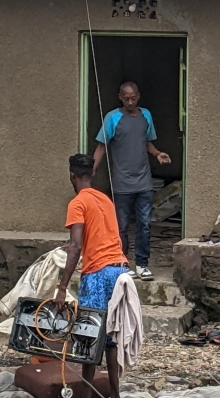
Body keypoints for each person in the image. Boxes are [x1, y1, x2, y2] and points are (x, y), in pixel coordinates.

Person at [55, 153, 127, 398]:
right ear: (93, 174)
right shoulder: (105, 200)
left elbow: (75, 247)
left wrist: (62, 287)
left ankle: (86, 393)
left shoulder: (77, 203)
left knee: (89, 335)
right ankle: (115, 393)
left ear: (71, 176)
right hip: (119, 272)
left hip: (97, 273)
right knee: (112, 336)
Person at [92, 81, 171, 281]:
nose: (130, 102)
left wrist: (157, 154)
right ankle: (123, 262)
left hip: (144, 181)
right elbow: (102, 146)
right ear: (120, 97)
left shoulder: (146, 116)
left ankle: (143, 264)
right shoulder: (113, 118)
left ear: (138, 96)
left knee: (145, 224)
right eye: (126, 98)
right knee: (122, 225)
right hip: (122, 183)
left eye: (133, 98)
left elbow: (146, 142)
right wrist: (91, 169)